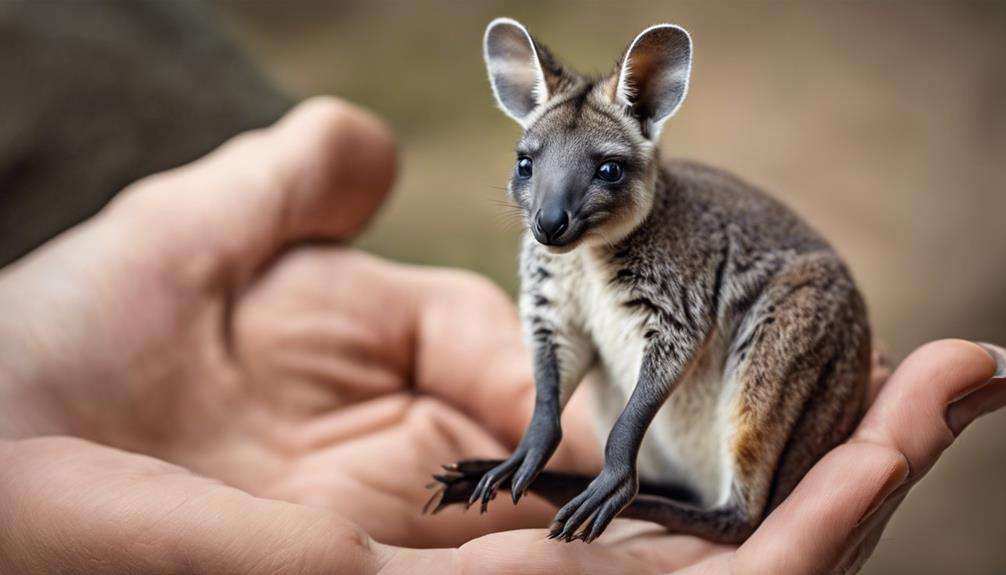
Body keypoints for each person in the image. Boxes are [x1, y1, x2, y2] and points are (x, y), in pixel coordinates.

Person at [0, 97, 1003, 574]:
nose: (552, 211)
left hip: (759, 337)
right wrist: (534, 443)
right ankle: (602, 477)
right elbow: (555, 341)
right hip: (670, 413)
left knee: (769, 313)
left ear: (646, 140)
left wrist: (610, 456)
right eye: (532, 175)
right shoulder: (551, 233)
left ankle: (729, 506)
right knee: (576, 365)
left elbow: (670, 334)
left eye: (599, 176)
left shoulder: (666, 228)